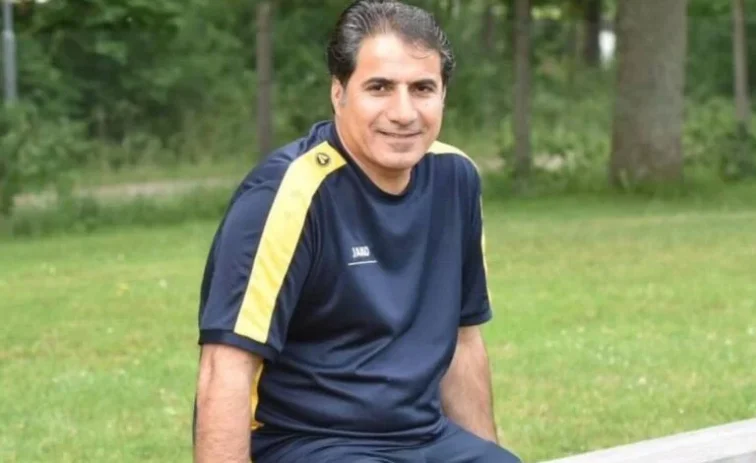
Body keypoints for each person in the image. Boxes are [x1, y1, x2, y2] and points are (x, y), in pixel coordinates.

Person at [193, 1, 522, 462]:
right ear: (339, 92)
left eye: (422, 88)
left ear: (444, 95)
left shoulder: (455, 178)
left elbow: (463, 342)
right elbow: (224, 366)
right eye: (379, 87)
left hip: (423, 438)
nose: (403, 112)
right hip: (308, 443)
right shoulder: (286, 194)